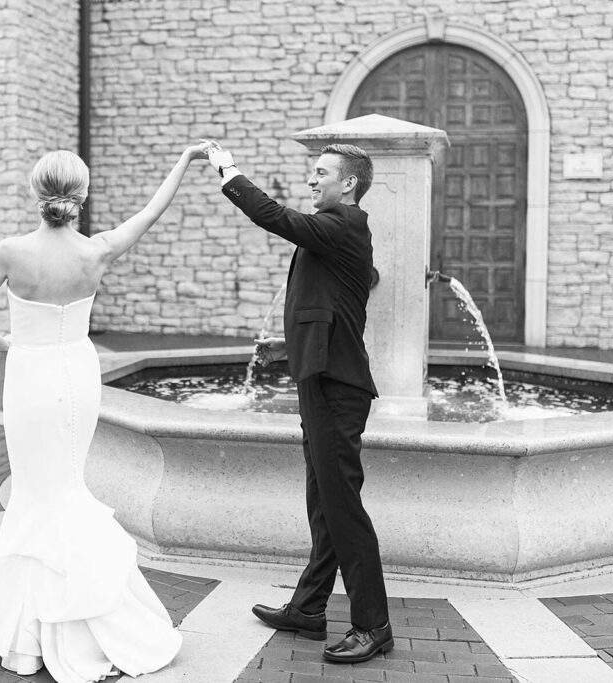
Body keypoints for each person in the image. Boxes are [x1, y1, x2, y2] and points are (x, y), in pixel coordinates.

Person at [0, 143, 209, 682]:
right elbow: (152, 211)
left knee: (36, 494)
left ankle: (30, 631)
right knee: (68, 489)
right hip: (79, 376)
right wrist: (188, 158)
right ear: (82, 196)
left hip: (29, 376)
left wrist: (10, 342)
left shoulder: (10, 251)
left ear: (36, 194)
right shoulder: (98, 250)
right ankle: (81, 617)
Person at [204, 141, 391, 664]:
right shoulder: (332, 232)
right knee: (324, 503)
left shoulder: (345, 224)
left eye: (320, 173)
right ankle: (309, 609)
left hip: (338, 387)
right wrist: (291, 345)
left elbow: (272, 216)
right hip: (320, 379)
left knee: (343, 508)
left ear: (348, 182)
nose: (312, 181)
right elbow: (327, 307)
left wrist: (228, 170)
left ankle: (373, 625)